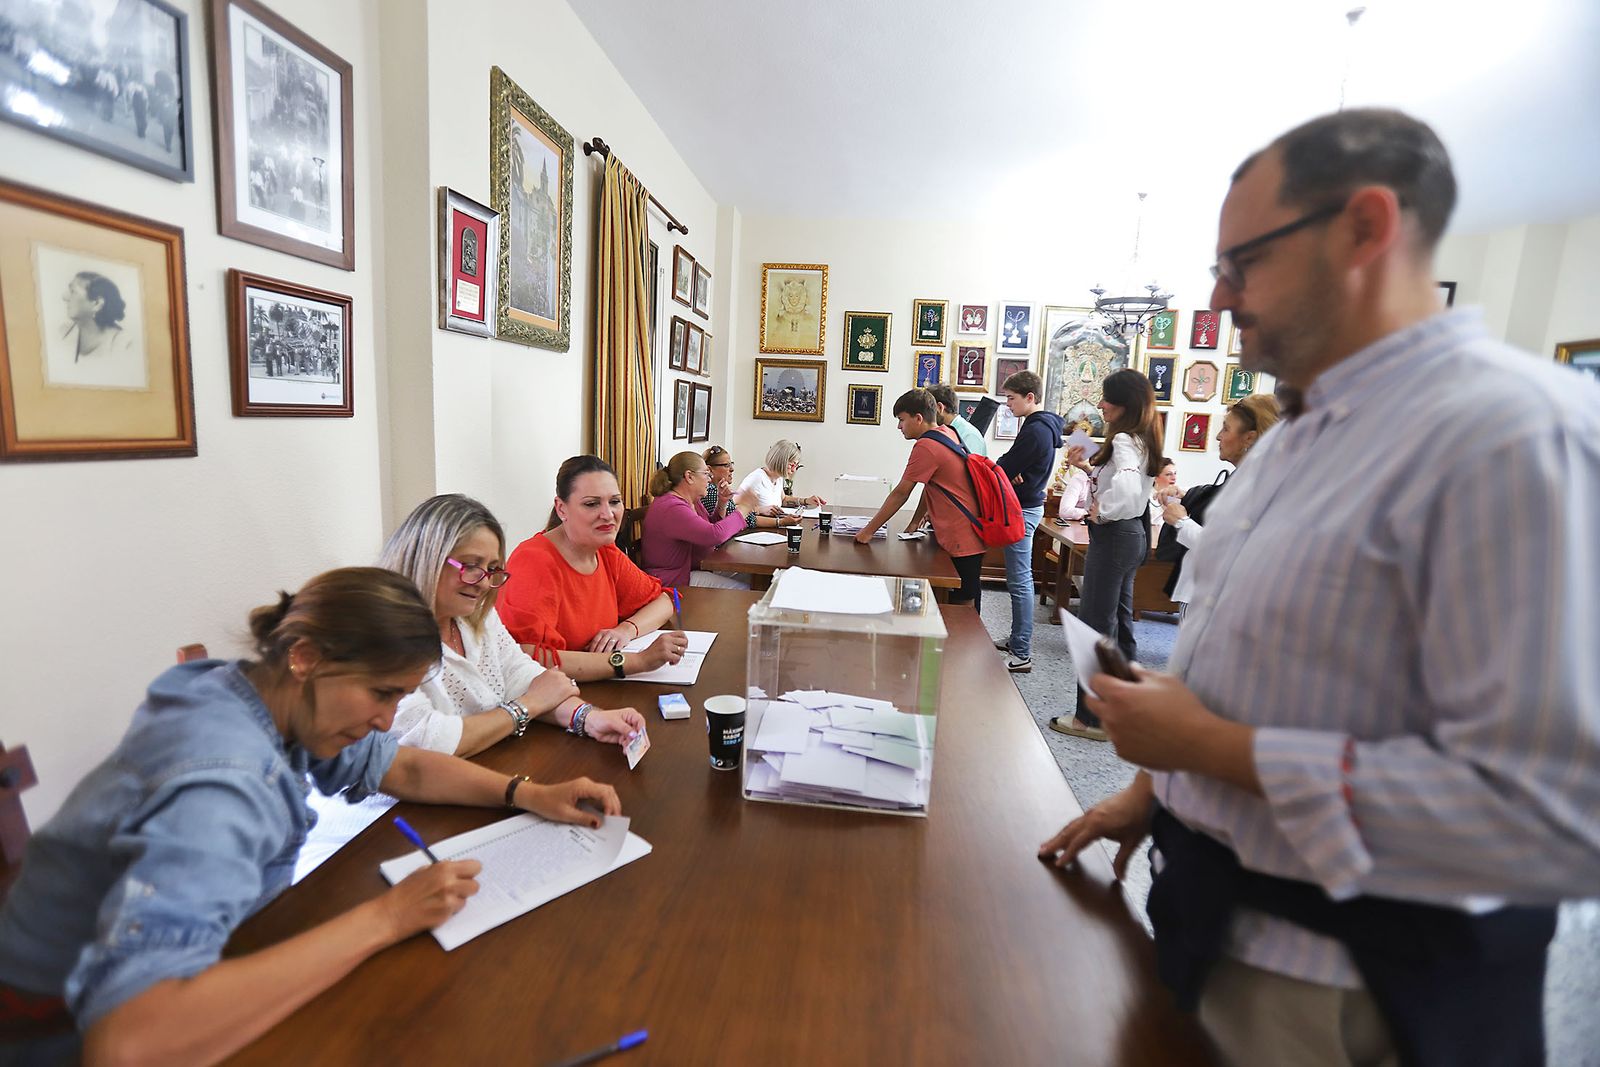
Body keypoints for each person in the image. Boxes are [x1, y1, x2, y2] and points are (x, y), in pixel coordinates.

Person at [1039, 108, 1600, 1067]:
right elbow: (1266, 665)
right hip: (1207, 926)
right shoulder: (1294, 442)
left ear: (1365, 228)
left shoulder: (1515, 436)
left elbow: (1554, 814)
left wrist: (1213, 747)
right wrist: (1160, 784)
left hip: (1346, 988)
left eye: (1241, 261)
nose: (1217, 296)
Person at [0, 568, 622, 1064]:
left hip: (205, 952)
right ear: (304, 657)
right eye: (381, 695)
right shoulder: (222, 788)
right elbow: (130, 1043)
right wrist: (387, 917)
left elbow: (401, 767)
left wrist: (529, 793)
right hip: (61, 1033)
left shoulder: (257, 688)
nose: (386, 719)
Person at [379, 494, 646, 756]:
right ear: (429, 558)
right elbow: (424, 741)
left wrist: (589, 718)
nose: (484, 583)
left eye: (493, 569)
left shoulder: (476, 616)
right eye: (471, 566)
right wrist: (527, 706)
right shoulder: (381, 636)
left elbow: (519, 675)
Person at [498, 455, 689, 683]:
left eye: (615, 501)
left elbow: (666, 600)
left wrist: (626, 630)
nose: (608, 514)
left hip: (594, 690)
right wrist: (636, 661)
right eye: (591, 504)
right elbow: (528, 657)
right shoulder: (534, 561)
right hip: (550, 700)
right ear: (561, 508)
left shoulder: (605, 551)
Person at [1048, 368, 1162, 741]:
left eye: (1107, 399)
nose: (1100, 404)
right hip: (1132, 536)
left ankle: (1091, 718)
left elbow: (1125, 490)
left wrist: (1104, 511)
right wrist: (1085, 467)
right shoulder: (1143, 438)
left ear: (1124, 404)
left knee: (1095, 627)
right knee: (1120, 623)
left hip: (1115, 535)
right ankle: (1124, 708)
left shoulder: (1126, 440)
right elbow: (1119, 480)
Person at [854, 389, 986, 609]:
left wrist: (868, 531)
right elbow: (932, 485)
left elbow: (901, 493)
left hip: (961, 537)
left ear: (918, 418)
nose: (899, 427)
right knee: (963, 597)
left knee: (961, 607)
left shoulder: (927, 446)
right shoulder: (948, 432)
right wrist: (915, 521)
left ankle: (967, 642)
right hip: (970, 531)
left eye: (901, 420)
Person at [1158, 395, 1280, 606]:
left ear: (1249, 438)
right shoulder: (1246, 478)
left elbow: (1228, 549)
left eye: (1226, 429)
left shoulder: (1257, 485)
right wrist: (1187, 496)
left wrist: (1182, 522)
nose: (1217, 436)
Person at [991, 370, 1064, 672]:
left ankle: (1021, 652)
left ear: (1030, 397)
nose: (1008, 404)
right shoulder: (1042, 426)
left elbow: (1003, 465)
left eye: (1011, 398)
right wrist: (1011, 469)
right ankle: (1016, 639)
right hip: (1027, 502)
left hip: (1022, 509)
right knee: (1018, 580)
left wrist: (1008, 469)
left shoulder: (1035, 430)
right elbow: (1012, 464)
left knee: (1020, 582)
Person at [640, 452, 760, 589]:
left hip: (693, 569)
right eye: (706, 474)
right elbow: (714, 535)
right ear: (689, 476)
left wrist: (722, 503)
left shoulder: (691, 501)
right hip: (674, 580)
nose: (710, 479)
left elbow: (708, 526)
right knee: (745, 590)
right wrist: (744, 509)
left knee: (752, 577)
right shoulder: (672, 508)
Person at [700, 445, 798, 531]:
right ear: (709, 469)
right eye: (726, 465)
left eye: (731, 464)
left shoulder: (720, 490)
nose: (732, 469)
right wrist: (781, 522)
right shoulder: (710, 491)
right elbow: (745, 519)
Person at [734, 440, 826, 517]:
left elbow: (784, 499)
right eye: (791, 465)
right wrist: (760, 510)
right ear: (781, 461)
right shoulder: (756, 478)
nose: (794, 470)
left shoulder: (778, 478)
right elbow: (733, 508)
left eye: (796, 465)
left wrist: (806, 501)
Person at [927, 383, 988, 456]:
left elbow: (970, 466)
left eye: (927, 410)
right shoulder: (944, 432)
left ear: (940, 407)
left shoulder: (969, 435)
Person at [1147, 458, 1180, 542]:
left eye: (1175, 474)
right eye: (1168, 474)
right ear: (1156, 477)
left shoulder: (1177, 496)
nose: (1174, 478)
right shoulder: (1147, 497)